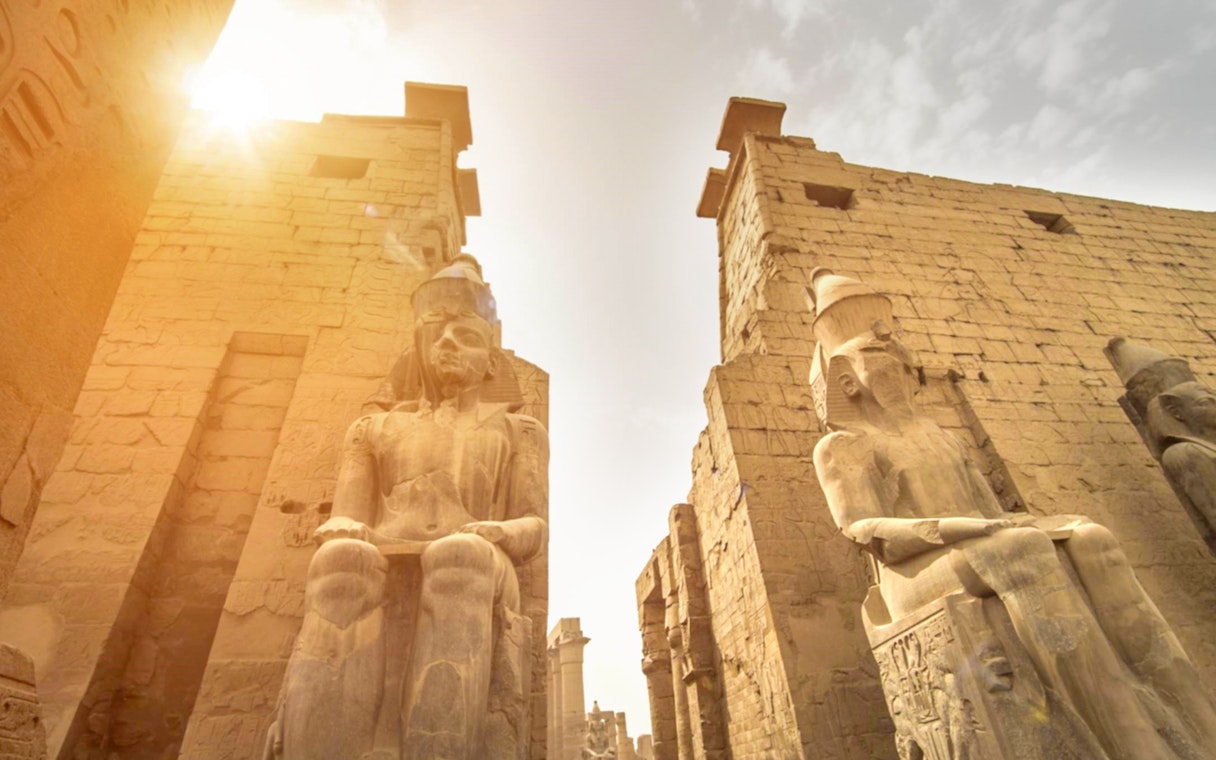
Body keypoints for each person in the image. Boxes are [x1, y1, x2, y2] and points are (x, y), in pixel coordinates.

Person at [808, 269, 1216, 760]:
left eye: (902, 364)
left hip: (977, 544)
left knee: (1093, 539)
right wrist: (962, 528)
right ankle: (1133, 742)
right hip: (912, 569)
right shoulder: (844, 445)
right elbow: (865, 530)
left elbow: (993, 511)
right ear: (848, 382)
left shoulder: (941, 433)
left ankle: (1194, 728)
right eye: (884, 368)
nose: (901, 376)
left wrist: (1002, 524)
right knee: (1022, 551)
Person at [267, 256, 548, 760]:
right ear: (417, 350)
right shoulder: (372, 429)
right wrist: (344, 528)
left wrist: (500, 533)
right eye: (436, 336)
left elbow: (533, 527)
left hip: (480, 553)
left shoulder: (517, 430)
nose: (446, 345)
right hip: (391, 543)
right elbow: (348, 514)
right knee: (339, 562)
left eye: (465, 337)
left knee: (457, 556)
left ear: (490, 361)